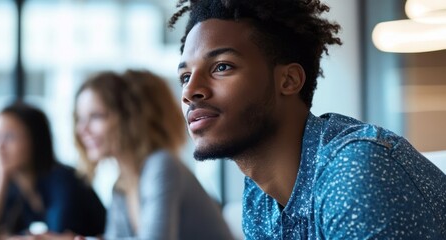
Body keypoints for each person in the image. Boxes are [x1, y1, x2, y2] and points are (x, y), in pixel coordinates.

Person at [169, 0, 446, 239]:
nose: (191, 92)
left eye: (222, 67)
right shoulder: (259, 197)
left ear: (288, 80)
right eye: (185, 77)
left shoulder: (355, 171)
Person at [74, 70, 234, 240]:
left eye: (96, 116)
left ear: (127, 119)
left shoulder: (161, 165)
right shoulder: (121, 186)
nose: (82, 130)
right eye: (79, 118)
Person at [0, 102, 106, 239]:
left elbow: (56, 236)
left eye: (9, 137)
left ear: (34, 139)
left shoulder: (64, 180)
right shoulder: (13, 186)